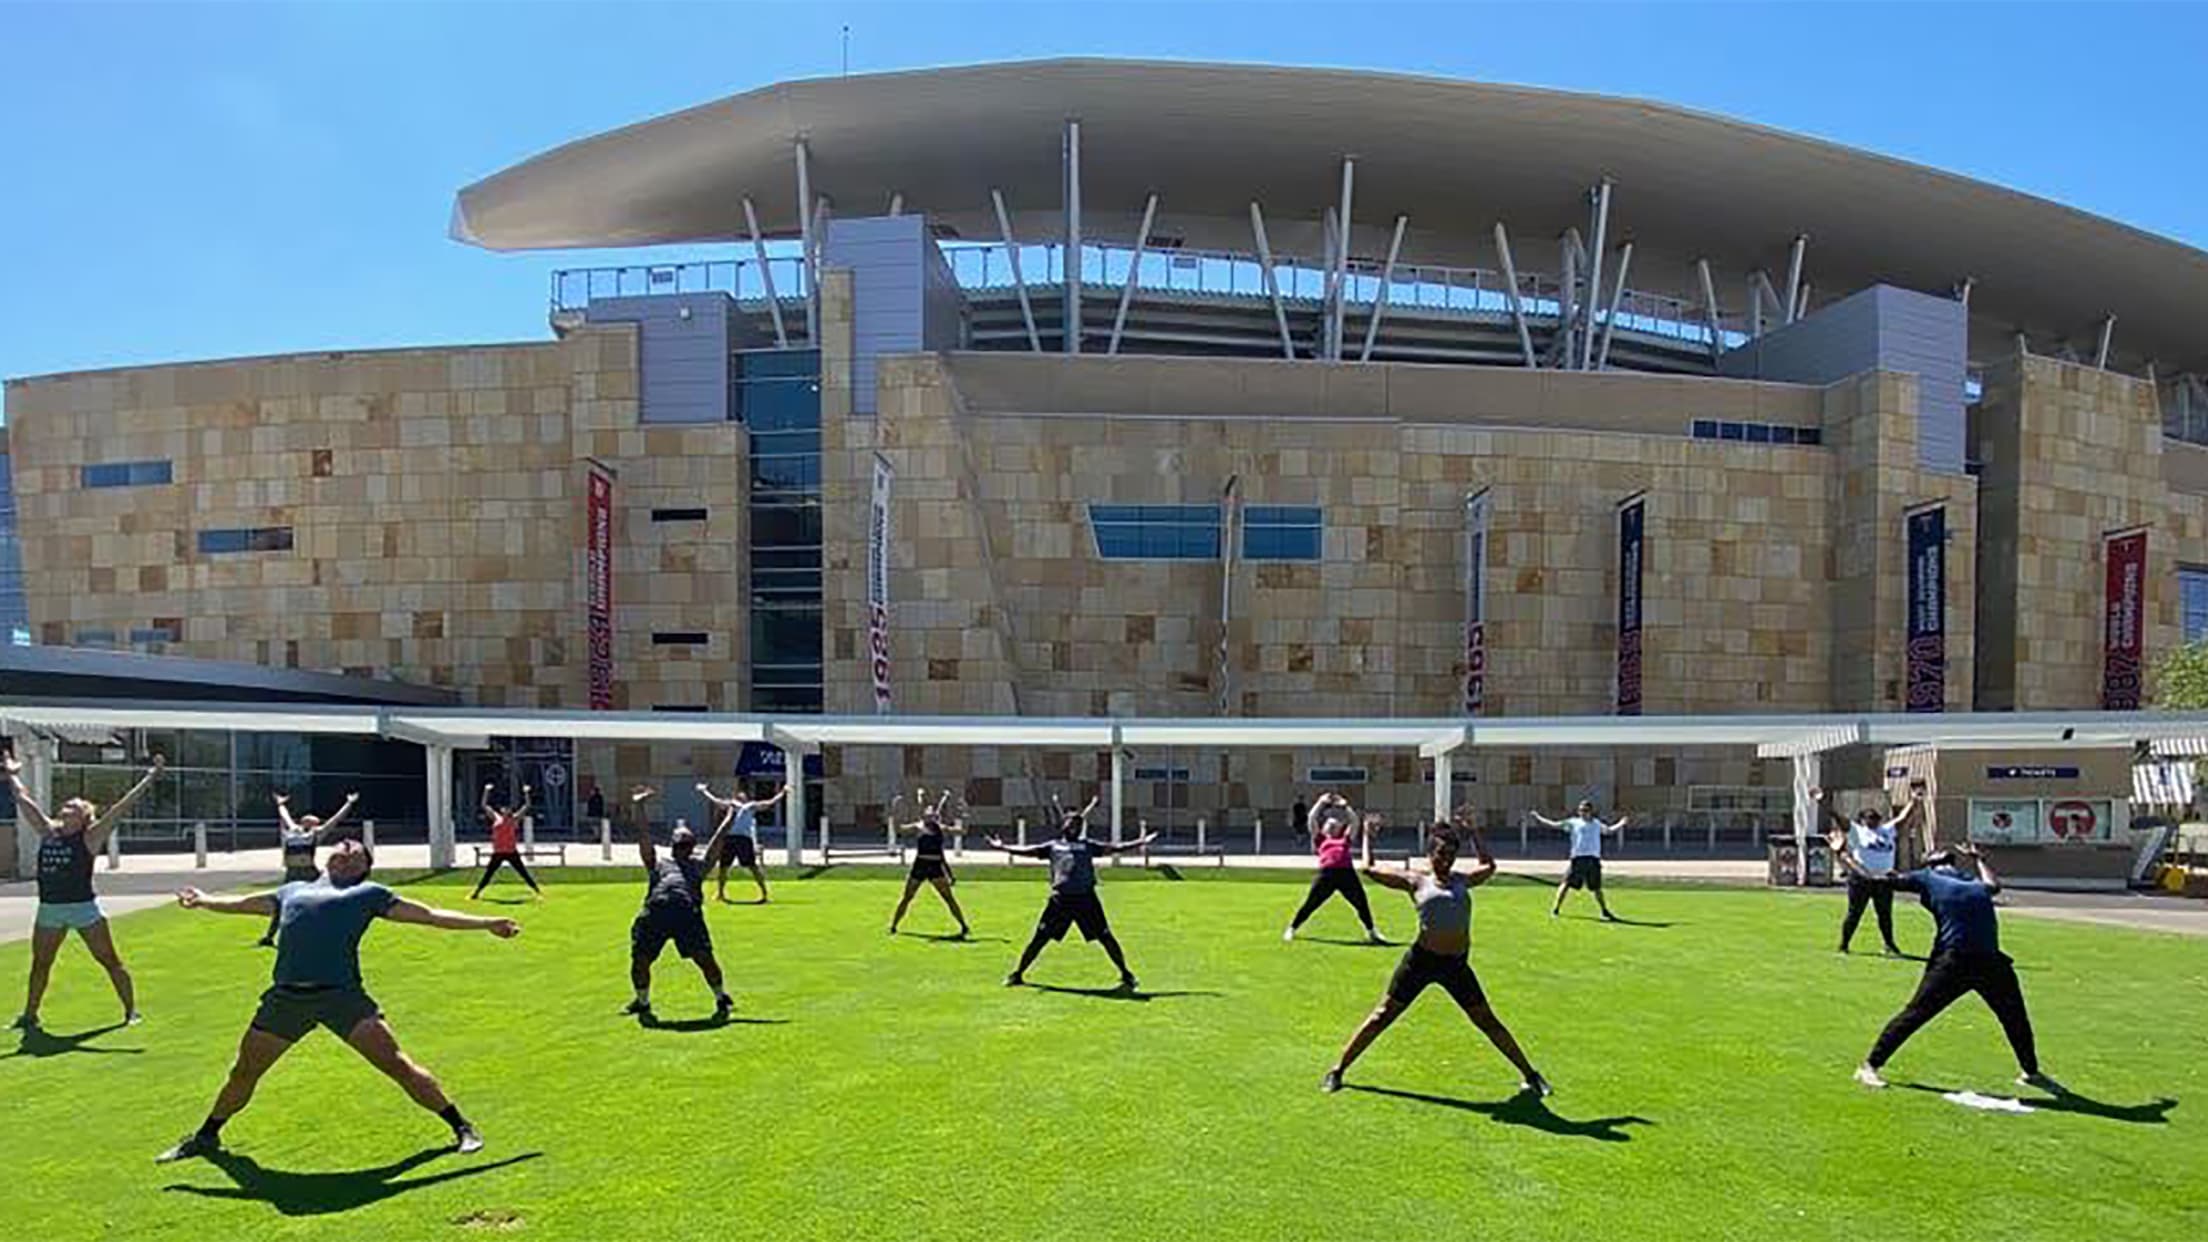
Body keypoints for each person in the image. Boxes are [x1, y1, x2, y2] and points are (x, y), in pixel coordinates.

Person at [154, 837, 519, 1163]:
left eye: (355, 852)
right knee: (244, 1072)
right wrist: (203, 900)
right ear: (328, 860)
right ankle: (206, 1137)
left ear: (363, 867)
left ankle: (462, 1127)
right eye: (341, 849)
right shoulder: (291, 890)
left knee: (397, 1065)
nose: (346, 850)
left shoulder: (369, 894)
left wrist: (488, 922)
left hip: (343, 999)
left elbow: (431, 916)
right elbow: (242, 904)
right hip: (286, 999)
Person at [1322, 820, 1549, 1097]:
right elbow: (1369, 869)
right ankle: (1337, 1071)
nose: (1446, 859)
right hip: (1421, 961)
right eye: (1441, 853)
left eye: (1451, 854)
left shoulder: (1462, 881)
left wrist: (1475, 831)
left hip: (1455, 965)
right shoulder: (1416, 881)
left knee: (1487, 1020)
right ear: (1430, 854)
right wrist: (1368, 836)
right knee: (1382, 1016)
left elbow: (1489, 866)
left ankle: (1531, 1075)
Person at [1833, 833, 2059, 1093]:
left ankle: (2031, 1072)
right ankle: (1869, 1066)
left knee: (2011, 1017)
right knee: (1920, 1013)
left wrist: (1979, 859)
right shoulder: (1946, 879)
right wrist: (1844, 855)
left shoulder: (1949, 878)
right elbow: (1873, 880)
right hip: (1964, 961)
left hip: (1978, 961)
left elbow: (1994, 887)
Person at [6, 752, 164, 1032]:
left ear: (84, 818)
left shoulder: (90, 837)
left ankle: (131, 1012)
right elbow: (23, 800)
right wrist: (12, 773)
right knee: (41, 963)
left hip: (83, 909)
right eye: (67, 804)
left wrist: (150, 777)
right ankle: (30, 1015)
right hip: (50, 909)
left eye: (75, 807)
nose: (68, 807)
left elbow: (122, 807)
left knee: (110, 961)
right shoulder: (49, 832)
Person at [989, 798, 1156, 991]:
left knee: (1106, 937)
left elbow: (1115, 847)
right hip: (1060, 901)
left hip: (1086, 899)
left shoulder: (1088, 846)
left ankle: (1126, 974)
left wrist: (1140, 842)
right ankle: (1017, 974)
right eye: (1070, 823)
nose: (1073, 827)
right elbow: (1028, 851)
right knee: (1039, 938)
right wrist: (1003, 847)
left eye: (1077, 824)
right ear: (1064, 826)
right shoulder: (1053, 846)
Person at [624, 786, 735, 1025]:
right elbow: (644, 838)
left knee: (704, 958)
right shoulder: (658, 864)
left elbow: (718, 842)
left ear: (692, 846)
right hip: (658, 910)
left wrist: (730, 817)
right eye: (678, 844)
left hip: (685, 913)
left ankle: (720, 997)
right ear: (672, 846)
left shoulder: (699, 865)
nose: (681, 848)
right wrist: (639, 806)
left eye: (686, 844)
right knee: (640, 959)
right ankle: (642, 1001)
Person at [1813, 786, 1923, 955]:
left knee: (1885, 914)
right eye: (1868, 818)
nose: (1872, 820)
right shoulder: (1857, 831)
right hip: (1861, 878)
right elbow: (1837, 816)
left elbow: (1903, 818)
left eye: (1875, 818)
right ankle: (1844, 944)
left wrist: (1914, 801)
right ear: (1862, 820)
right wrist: (1822, 801)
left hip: (1884, 879)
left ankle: (1889, 944)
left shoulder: (1886, 831)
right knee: (1855, 913)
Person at [259, 791, 360, 947]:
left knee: (321, 901)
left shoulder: (315, 834)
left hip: (308, 872)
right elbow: (284, 816)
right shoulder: (292, 831)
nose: (311, 823)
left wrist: (349, 803)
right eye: (309, 821)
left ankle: (332, 933)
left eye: (313, 822)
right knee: (281, 904)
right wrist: (280, 804)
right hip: (292, 873)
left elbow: (335, 820)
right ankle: (269, 936)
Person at [1282, 795, 1382, 944]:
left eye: (1335, 824)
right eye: (1329, 824)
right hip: (1326, 874)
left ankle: (1372, 932)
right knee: (1311, 903)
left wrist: (1345, 806)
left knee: (1361, 902)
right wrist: (1321, 802)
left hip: (1347, 873)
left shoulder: (1344, 839)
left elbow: (1354, 822)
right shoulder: (1321, 839)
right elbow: (1312, 819)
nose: (1332, 825)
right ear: (1324, 828)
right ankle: (1292, 929)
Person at [889, 788, 971, 938]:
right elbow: (898, 829)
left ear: (935, 815)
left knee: (948, 898)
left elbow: (962, 831)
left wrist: (965, 813)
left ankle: (964, 926)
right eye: (928, 811)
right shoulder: (918, 826)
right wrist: (895, 813)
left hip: (935, 867)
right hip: (920, 865)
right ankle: (893, 926)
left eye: (932, 812)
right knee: (907, 897)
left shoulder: (940, 828)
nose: (930, 813)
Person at [1533, 798, 1627, 920]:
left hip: (1593, 859)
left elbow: (1608, 831)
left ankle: (1604, 911)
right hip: (1578, 859)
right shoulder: (1573, 822)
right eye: (1581, 810)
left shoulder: (1596, 823)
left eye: (1585, 810)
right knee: (1566, 884)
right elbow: (1555, 824)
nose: (1583, 812)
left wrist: (1621, 823)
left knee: (1596, 888)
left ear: (1591, 811)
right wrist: (1538, 817)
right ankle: (1555, 909)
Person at [698, 782, 785, 904]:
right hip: (729, 838)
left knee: (752, 867)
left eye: (743, 796)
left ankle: (764, 894)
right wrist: (704, 791)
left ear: (746, 798)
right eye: (739, 796)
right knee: (723, 867)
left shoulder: (750, 806)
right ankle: (720, 894)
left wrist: (783, 792)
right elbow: (716, 801)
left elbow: (769, 803)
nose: (740, 798)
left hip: (744, 839)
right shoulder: (731, 805)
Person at [469, 783, 543, 901]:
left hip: (511, 852)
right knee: (488, 874)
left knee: (523, 872)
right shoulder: (496, 818)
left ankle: (537, 891)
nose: (505, 810)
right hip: (498, 852)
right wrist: (486, 791)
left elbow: (527, 806)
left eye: (507, 808)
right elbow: (484, 805)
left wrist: (526, 793)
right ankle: (476, 893)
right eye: (504, 808)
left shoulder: (514, 819)